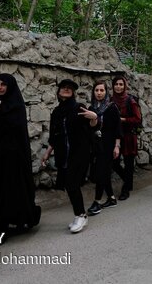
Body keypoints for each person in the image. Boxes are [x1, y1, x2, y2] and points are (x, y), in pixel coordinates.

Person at [0, 73, 41, 236]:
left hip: (13, 157)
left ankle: (4, 226)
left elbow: (15, 133)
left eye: (3, 84)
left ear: (10, 86)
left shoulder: (16, 106)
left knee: (10, 190)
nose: (0, 87)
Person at [41, 79, 92, 234]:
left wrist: (94, 117)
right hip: (64, 155)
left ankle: (81, 215)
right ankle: (80, 214)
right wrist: (47, 153)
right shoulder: (56, 112)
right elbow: (54, 137)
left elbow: (93, 126)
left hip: (79, 153)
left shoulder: (79, 108)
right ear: (58, 91)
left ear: (73, 93)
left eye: (70, 88)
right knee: (69, 186)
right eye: (63, 87)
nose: (66, 89)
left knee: (72, 184)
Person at [83, 81, 122, 216]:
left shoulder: (112, 107)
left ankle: (97, 202)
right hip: (96, 145)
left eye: (102, 90)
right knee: (103, 172)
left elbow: (118, 128)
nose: (99, 93)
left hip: (109, 145)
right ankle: (111, 198)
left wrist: (117, 146)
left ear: (106, 92)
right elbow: (89, 128)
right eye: (96, 90)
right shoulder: (91, 108)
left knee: (101, 172)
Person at [110, 76, 141, 201]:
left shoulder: (130, 101)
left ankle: (125, 189)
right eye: (116, 84)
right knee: (114, 163)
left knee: (128, 164)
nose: (118, 87)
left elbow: (137, 119)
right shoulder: (110, 100)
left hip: (128, 135)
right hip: (115, 136)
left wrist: (122, 120)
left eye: (121, 84)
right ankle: (128, 181)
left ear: (125, 86)